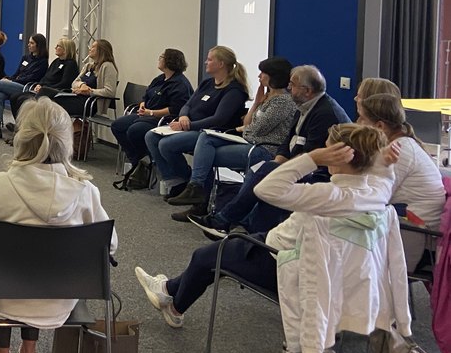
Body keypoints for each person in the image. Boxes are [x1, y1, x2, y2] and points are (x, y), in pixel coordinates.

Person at [135, 123, 397, 329]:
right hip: (336, 274)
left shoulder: (325, 196)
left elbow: (265, 189)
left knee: (204, 257)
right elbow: (386, 179)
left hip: (283, 263)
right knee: (224, 251)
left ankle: (174, 306)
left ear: (340, 157)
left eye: (327, 150)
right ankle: (167, 290)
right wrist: (382, 162)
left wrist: (311, 159)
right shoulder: (377, 194)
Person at [0, 97, 117, 353]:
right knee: (39, 269)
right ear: (65, 142)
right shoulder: (86, 192)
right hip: (61, 299)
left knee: (12, 274)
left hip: (5, 296)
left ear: (23, 138)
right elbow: (109, 246)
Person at [189, 65, 351, 238]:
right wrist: (278, 162)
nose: (289, 87)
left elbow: (311, 154)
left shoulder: (324, 113)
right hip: (298, 163)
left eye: (293, 85)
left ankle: (227, 222)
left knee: (268, 173)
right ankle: (240, 227)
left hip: (321, 173)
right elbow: (289, 140)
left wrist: (281, 169)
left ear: (307, 91)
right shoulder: (305, 106)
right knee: (266, 170)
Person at [165, 56, 296, 214]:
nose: (259, 76)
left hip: (264, 149)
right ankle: (196, 189)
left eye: (263, 73)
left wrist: (242, 129)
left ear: (272, 76)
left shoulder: (282, 102)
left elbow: (256, 130)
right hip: (250, 142)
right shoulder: (268, 99)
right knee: (206, 137)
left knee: (206, 156)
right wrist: (256, 103)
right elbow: (249, 123)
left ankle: (199, 198)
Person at [144, 45, 249, 200]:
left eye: (210, 59)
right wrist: (183, 117)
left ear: (221, 64)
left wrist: (189, 125)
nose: (206, 62)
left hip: (211, 133)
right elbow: (187, 104)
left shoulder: (234, 90)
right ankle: (177, 181)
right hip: (189, 126)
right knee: (151, 137)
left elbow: (219, 119)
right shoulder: (207, 83)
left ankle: (189, 183)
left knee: (166, 145)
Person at [358, 92, 445, 271]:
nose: (358, 124)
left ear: (380, 126)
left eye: (362, 119)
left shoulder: (399, 151)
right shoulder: (403, 144)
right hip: (412, 228)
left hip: (417, 237)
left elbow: (374, 197)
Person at [111, 49, 194, 168]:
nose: (159, 59)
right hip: (146, 115)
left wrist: (151, 112)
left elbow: (175, 109)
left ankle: (143, 161)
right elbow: (147, 95)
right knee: (117, 125)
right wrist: (143, 104)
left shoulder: (180, 84)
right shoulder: (160, 79)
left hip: (162, 119)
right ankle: (138, 160)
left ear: (170, 61)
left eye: (162, 57)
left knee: (134, 130)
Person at [4, 38, 81, 137]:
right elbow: (46, 77)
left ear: (65, 49)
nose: (55, 47)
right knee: (15, 97)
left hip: (55, 93)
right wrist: (39, 84)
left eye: (58, 46)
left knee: (26, 100)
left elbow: (65, 83)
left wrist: (45, 88)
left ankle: (26, 130)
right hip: (44, 90)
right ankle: (20, 127)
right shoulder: (56, 62)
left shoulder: (71, 64)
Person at [42, 38, 118, 121]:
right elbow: (74, 83)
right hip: (77, 97)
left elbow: (110, 91)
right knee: (44, 92)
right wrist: (82, 85)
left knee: (48, 100)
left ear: (101, 50)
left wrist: (89, 91)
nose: (90, 49)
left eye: (93, 47)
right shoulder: (89, 66)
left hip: (89, 103)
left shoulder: (108, 66)